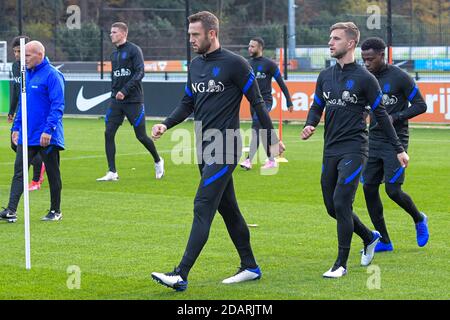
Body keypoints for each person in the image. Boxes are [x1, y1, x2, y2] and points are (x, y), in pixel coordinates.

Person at [150, 11, 284, 291]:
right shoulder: (195, 65)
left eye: (195, 34)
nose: (191, 39)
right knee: (229, 210)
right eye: (189, 34)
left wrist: (272, 140)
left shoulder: (236, 64)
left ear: (212, 33)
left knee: (202, 206)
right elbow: (187, 102)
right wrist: (166, 124)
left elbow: (258, 104)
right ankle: (250, 266)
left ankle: (180, 274)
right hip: (203, 147)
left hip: (226, 147)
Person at [301, 22, 409, 278]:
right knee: (331, 207)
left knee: (341, 202)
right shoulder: (324, 76)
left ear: (350, 44)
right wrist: (310, 124)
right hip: (330, 149)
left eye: (336, 39)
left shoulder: (365, 78)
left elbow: (381, 115)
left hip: (355, 148)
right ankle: (370, 236)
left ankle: (340, 264)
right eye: (330, 38)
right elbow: (317, 106)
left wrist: (398, 149)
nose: (330, 42)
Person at [360, 37, 429, 252]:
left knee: (392, 190)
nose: (367, 63)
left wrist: (395, 117)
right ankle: (384, 241)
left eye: (370, 59)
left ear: (382, 55)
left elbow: (421, 105)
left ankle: (419, 218)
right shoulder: (365, 77)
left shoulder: (400, 77)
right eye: (363, 59)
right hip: (373, 140)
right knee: (369, 188)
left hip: (395, 141)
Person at [0, 41, 65, 223]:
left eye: (27, 55)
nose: (23, 58)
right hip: (27, 134)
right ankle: (11, 210)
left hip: (47, 136)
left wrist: (49, 130)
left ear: (39, 55)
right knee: (19, 172)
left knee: (53, 173)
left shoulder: (53, 75)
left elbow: (58, 106)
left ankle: (55, 210)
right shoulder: (25, 74)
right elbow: (23, 104)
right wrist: (16, 127)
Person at [96, 22, 164, 181]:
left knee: (141, 136)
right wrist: (115, 93)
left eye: (114, 32)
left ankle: (158, 160)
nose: (111, 34)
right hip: (116, 101)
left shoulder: (134, 50)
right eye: (110, 32)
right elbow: (115, 76)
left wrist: (124, 91)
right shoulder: (114, 54)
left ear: (123, 34)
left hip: (133, 100)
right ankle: (112, 172)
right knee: (108, 133)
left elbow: (140, 72)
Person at [240, 37, 293, 170]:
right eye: (249, 46)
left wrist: (289, 100)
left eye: (252, 46)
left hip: (265, 102)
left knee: (256, 128)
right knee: (262, 131)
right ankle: (271, 159)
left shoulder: (269, 64)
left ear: (260, 48)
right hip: (252, 103)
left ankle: (248, 160)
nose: (249, 48)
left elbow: (281, 84)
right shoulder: (246, 64)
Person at [8, 35, 46, 191]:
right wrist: (12, 111)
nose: (17, 55)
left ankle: (36, 180)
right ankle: (40, 165)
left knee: (29, 146)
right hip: (20, 112)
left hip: (34, 113)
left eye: (19, 51)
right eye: (15, 51)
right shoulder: (15, 66)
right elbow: (17, 89)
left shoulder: (34, 68)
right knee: (14, 143)